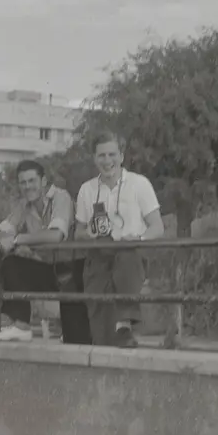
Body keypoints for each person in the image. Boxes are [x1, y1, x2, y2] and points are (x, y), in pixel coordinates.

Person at [74, 131, 164, 348]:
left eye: (112, 154)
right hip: (100, 253)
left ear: (122, 156)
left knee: (126, 255)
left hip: (131, 252)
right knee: (101, 334)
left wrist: (139, 237)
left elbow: (157, 227)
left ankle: (124, 323)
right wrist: (89, 233)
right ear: (94, 158)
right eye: (102, 155)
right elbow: (78, 232)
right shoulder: (87, 189)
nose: (107, 161)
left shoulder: (139, 184)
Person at [0, 159, 90, 344]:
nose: (27, 186)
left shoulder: (61, 197)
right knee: (11, 263)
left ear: (43, 181)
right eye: (23, 182)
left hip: (73, 272)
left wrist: (17, 240)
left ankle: (68, 329)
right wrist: (9, 240)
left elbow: (55, 236)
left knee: (76, 341)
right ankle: (21, 327)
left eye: (32, 181)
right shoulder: (23, 205)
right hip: (48, 270)